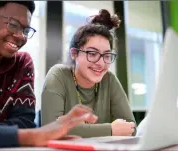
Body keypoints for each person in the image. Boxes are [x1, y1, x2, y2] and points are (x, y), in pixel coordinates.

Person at [41, 9, 136, 138]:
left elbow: (131, 127)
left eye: (107, 55)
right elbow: (50, 128)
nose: (101, 63)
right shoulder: (58, 75)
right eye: (92, 53)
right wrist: (111, 129)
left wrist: (74, 127)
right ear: (74, 54)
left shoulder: (109, 80)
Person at [0, 104, 98, 149]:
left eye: (26, 32)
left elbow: (24, 123)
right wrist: (32, 135)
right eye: (91, 53)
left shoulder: (23, 61)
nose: (21, 36)